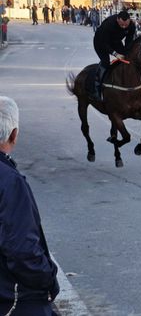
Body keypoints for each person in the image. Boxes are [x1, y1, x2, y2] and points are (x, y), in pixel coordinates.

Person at [0, 96, 60, 315]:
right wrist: (48, 278)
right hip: (12, 298)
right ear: (14, 134)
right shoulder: (10, 182)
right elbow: (22, 250)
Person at [92, 11, 136, 101]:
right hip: (100, 42)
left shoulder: (131, 25)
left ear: (129, 21)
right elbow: (104, 43)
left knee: (126, 58)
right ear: (117, 20)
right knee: (105, 61)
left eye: (126, 25)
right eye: (122, 24)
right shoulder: (108, 24)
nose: (124, 27)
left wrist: (127, 53)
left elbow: (129, 41)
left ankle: (123, 81)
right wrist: (115, 54)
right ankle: (97, 85)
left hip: (116, 41)